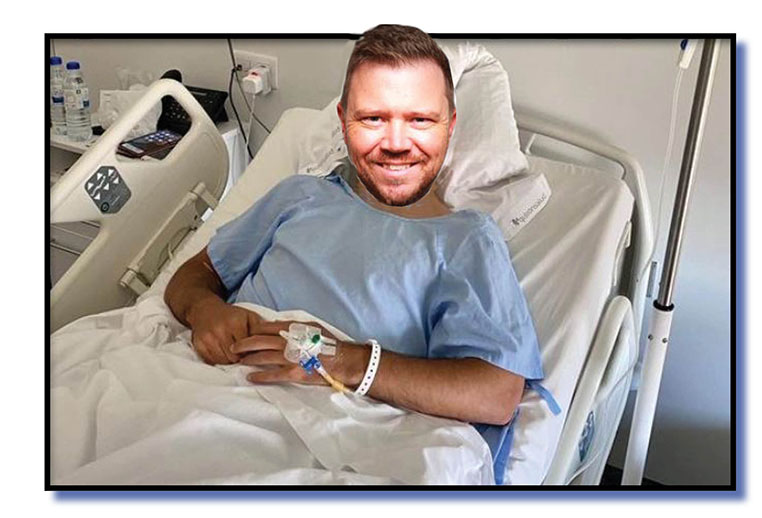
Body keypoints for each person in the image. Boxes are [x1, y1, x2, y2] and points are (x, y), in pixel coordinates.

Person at [165, 25, 548, 480]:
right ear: (343, 121)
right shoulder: (299, 195)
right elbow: (198, 272)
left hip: (315, 435)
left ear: (450, 125)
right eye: (372, 119)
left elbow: (496, 393)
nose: (396, 144)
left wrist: (344, 361)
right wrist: (205, 309)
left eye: (421, 120)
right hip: (197, 386)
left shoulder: (466, 239)